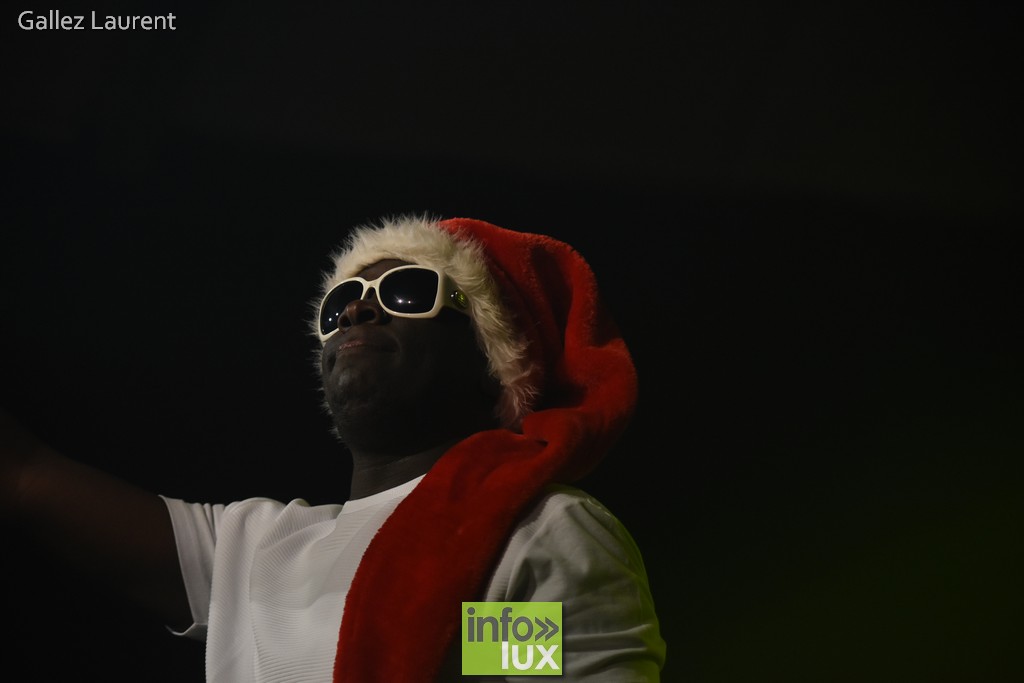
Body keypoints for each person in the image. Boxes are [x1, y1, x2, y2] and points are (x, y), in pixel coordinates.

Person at [1, 215, 666, 681]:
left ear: (493, 363)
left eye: (407, 292)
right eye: (340, 301)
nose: (355, 311)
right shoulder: (259, 553)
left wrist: (461, 636)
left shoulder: (536, 530)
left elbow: (519, 658)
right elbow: (24, 474)